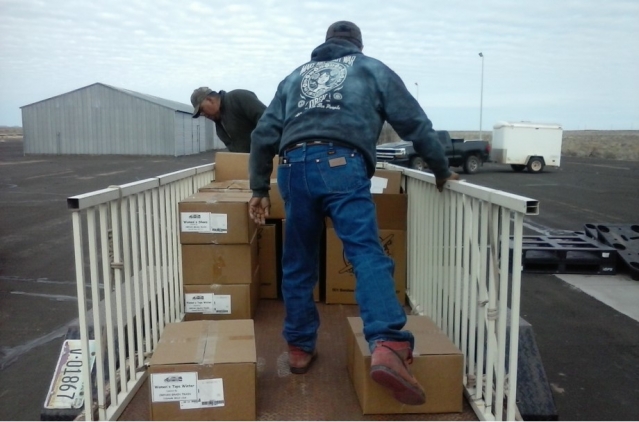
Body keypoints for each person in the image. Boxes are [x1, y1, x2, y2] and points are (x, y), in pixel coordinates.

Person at [248, 21, 460, 406]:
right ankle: (389, 344)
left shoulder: (295, 77)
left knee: (297, 262)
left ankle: (298, 349)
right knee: (365, 253)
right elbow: (414, 121)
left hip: (292, 167)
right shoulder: (371, 69)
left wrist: (259, 188)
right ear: (357, 45)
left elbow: (263, 135)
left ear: (325, 44)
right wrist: (441, 168)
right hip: (341, 163)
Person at [191, 87, 266, 153]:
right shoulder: (219, 126)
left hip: (271, 159)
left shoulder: (238, 98)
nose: (203, 114)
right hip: (249, 165)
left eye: (202, 109)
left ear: (210, 100)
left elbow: (268, 121)